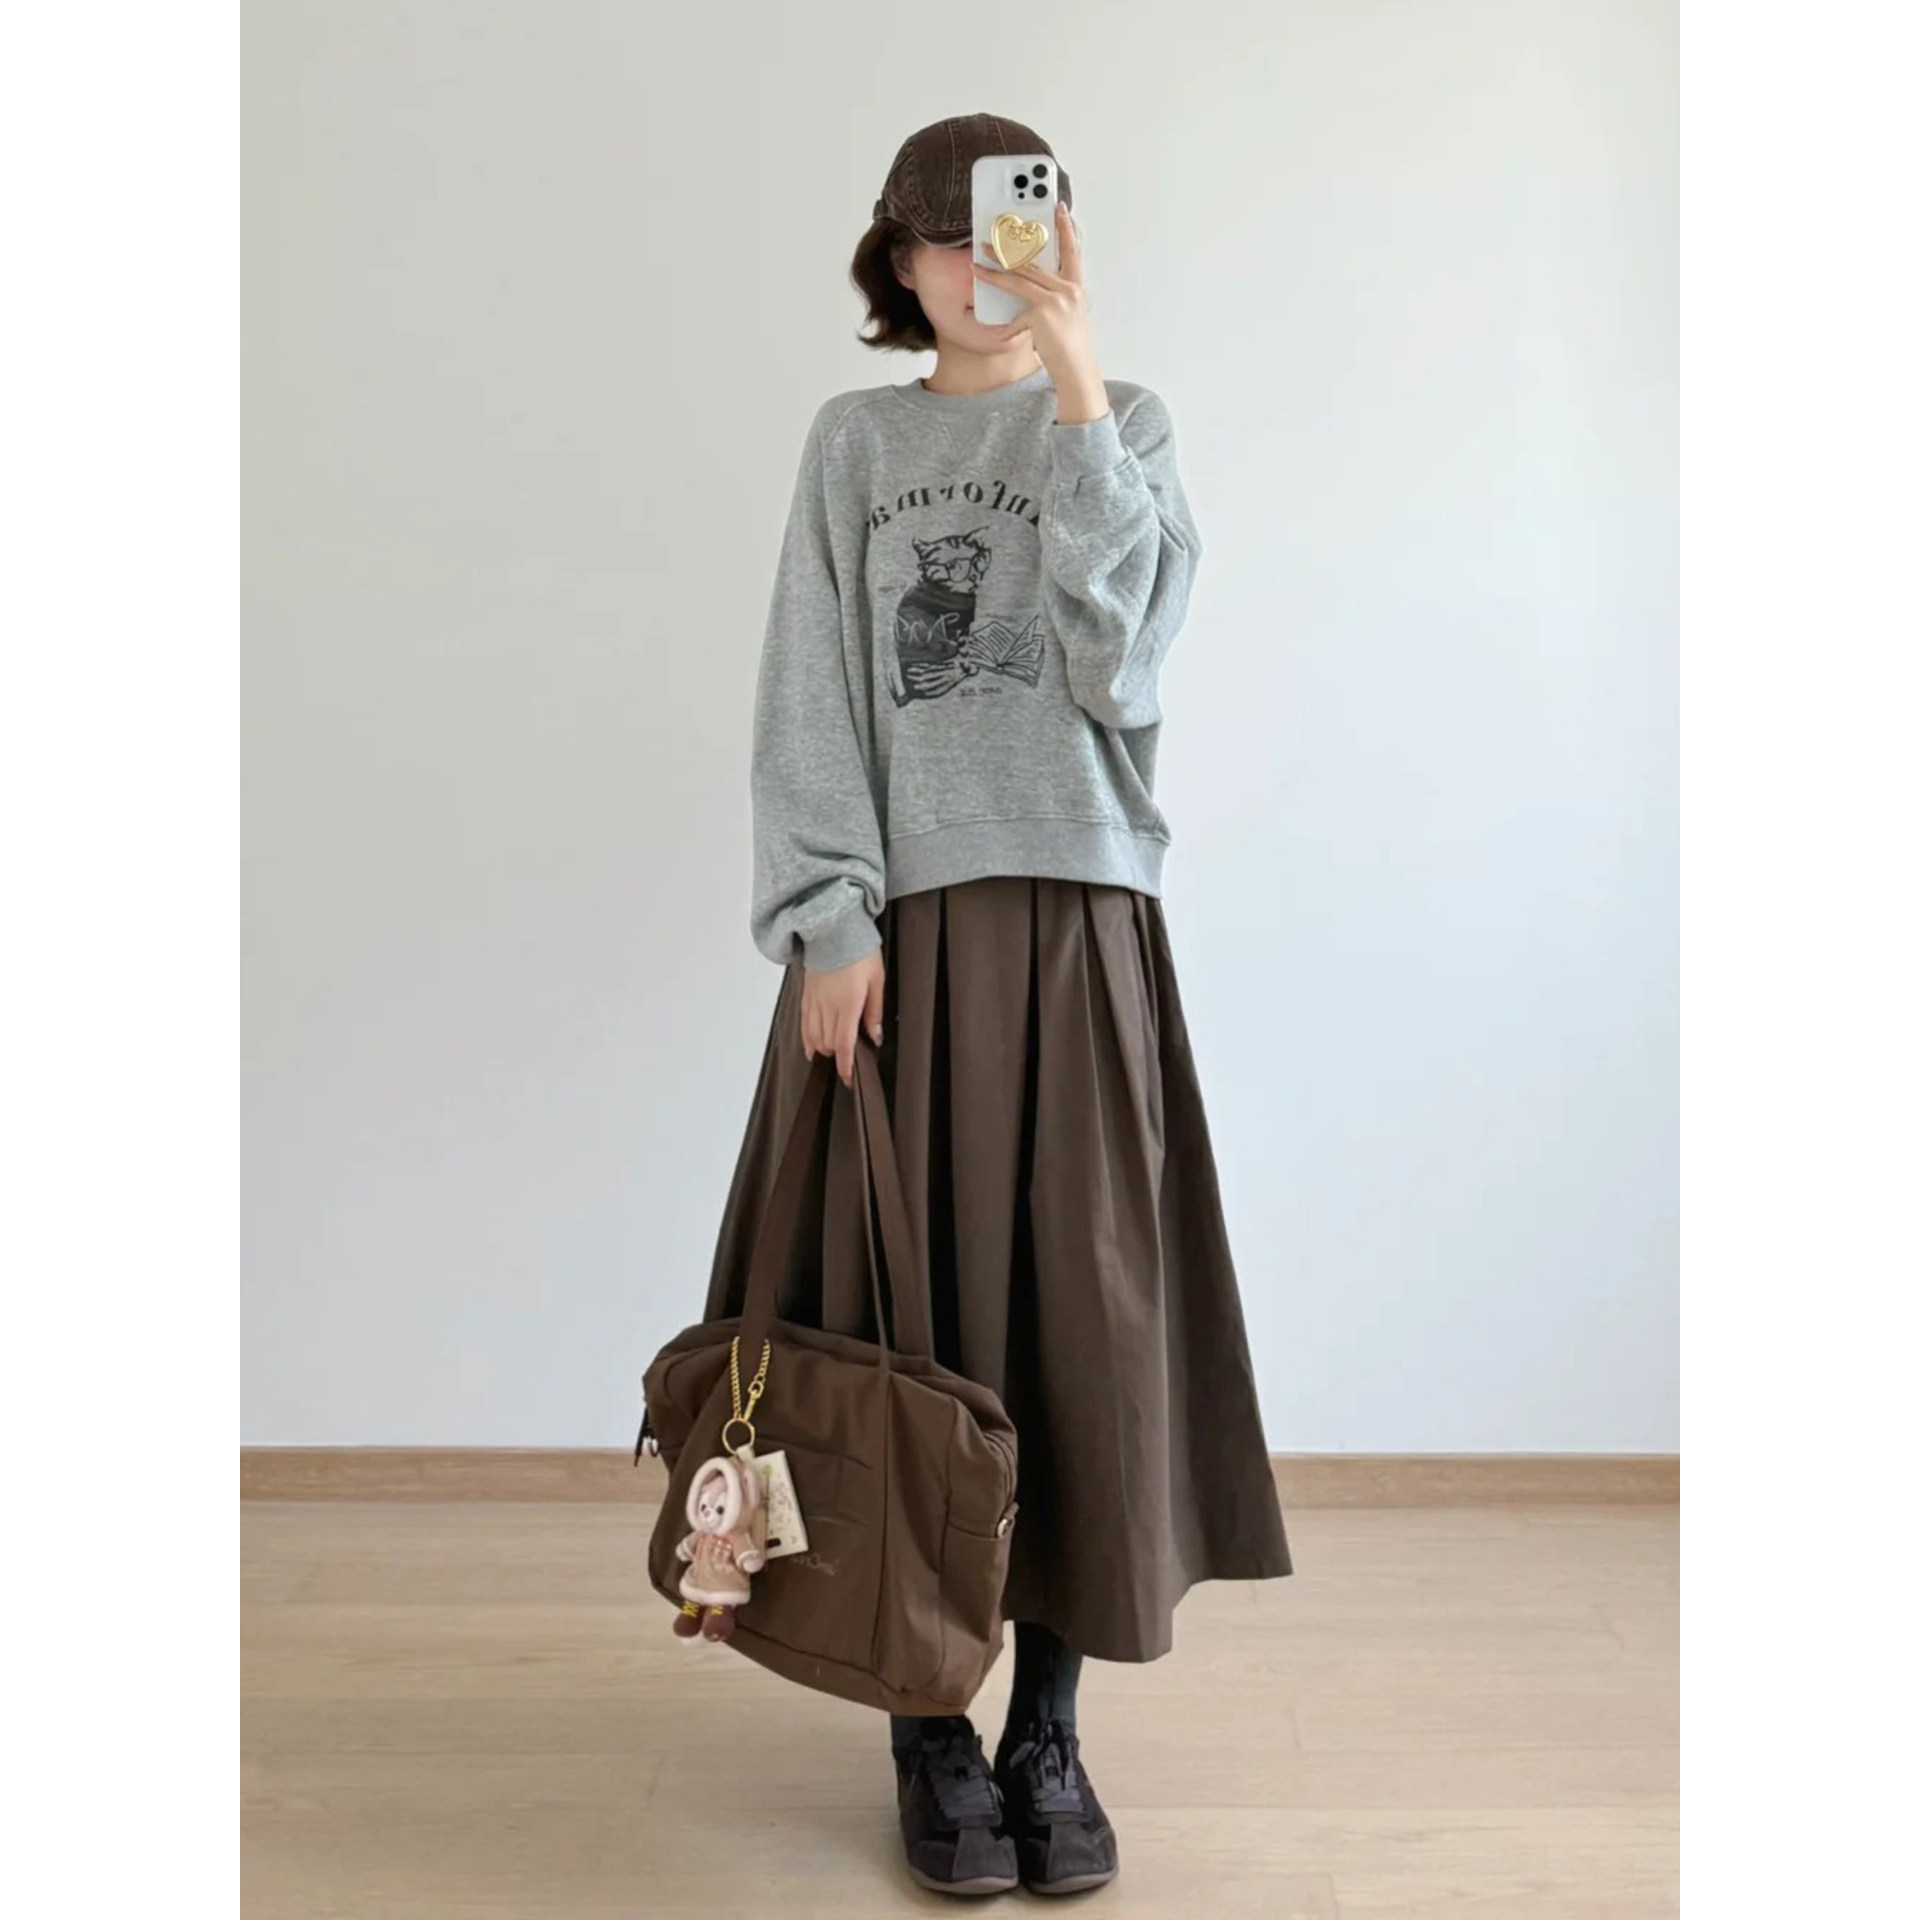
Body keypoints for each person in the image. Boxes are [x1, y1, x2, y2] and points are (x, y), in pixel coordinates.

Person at [699, 113, 1294, 1898]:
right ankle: (926, 1726)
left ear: (1061, 245)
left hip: (1083, 928)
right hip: (899, 940)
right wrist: (826, 914)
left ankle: (1049, 1729)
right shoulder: (857, 442)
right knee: (915, 1331)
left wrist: (1083, 388)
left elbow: (1125, 665)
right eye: (947, 238)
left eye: (1014, 232)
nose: (982, 267)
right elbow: (810, 689)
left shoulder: (1126, 426)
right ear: (899, 260)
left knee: (1078, 1335)